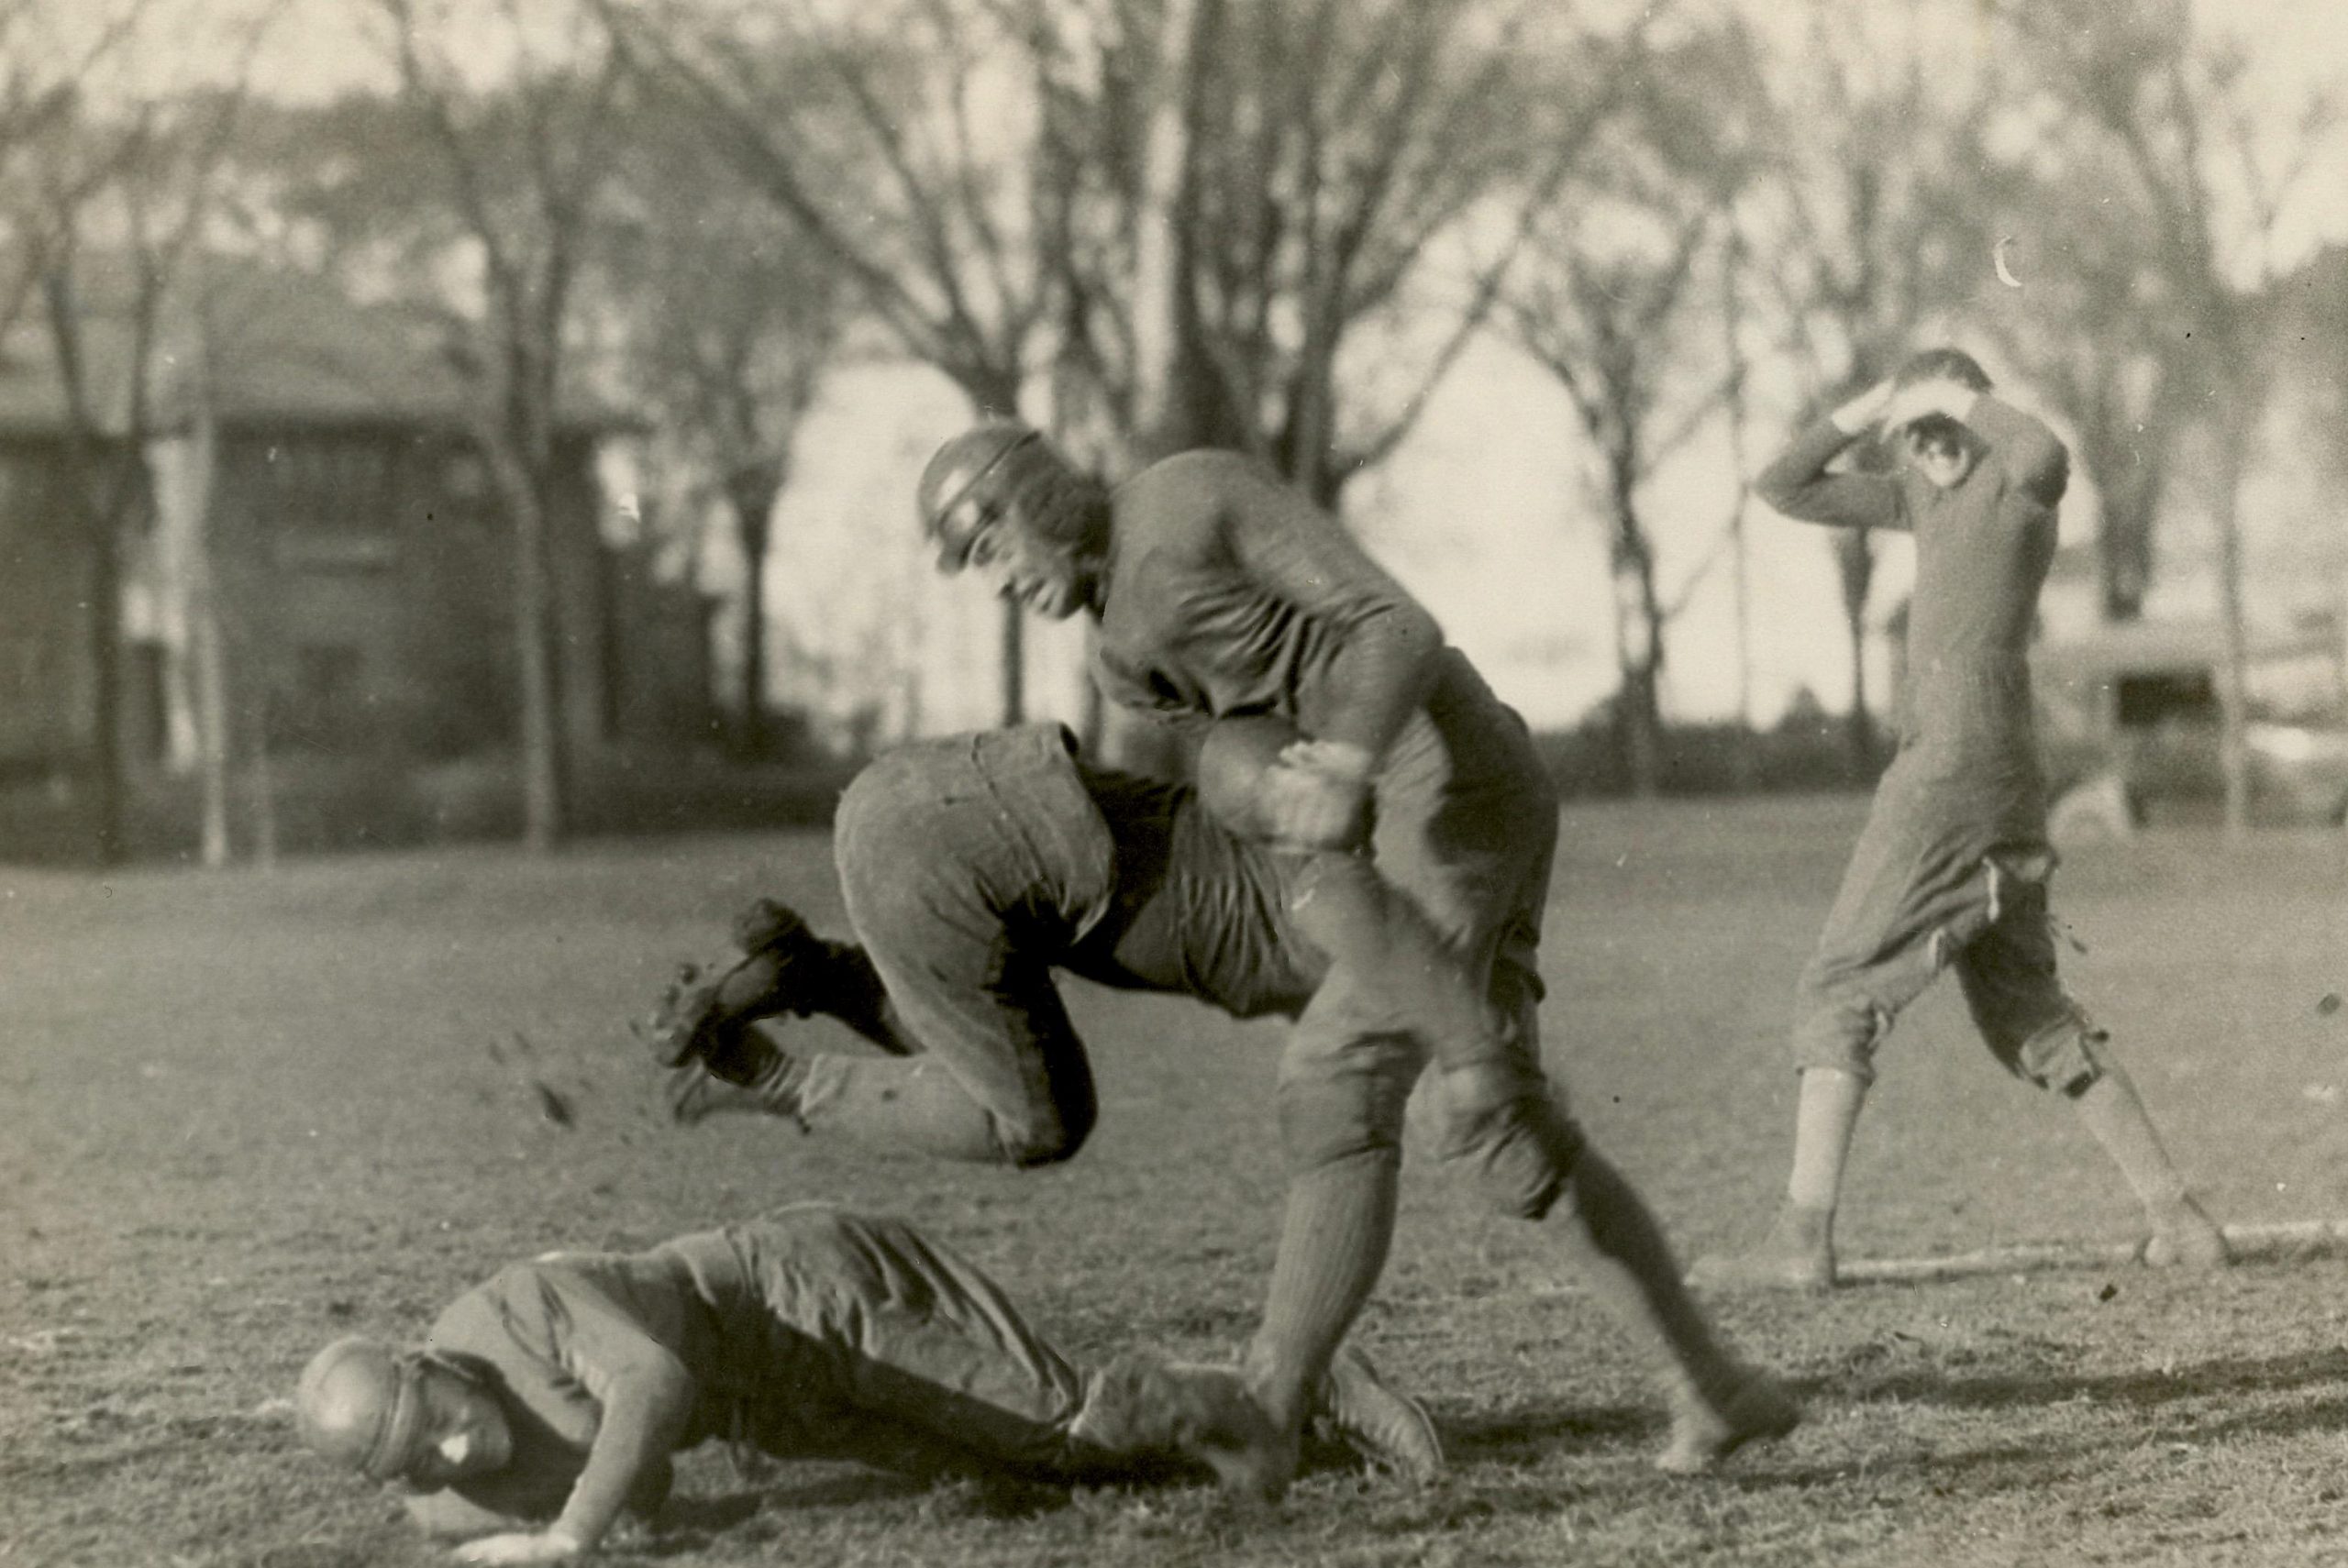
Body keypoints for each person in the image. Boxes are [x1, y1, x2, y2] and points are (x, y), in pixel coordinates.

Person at [654, 714, 1795, 1485]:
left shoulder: (1376, 850)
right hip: (991, 845)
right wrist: (1482, 1061)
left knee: (1000, 1060)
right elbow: (1471, 1079)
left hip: (969, 799)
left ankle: (817, 973)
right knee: (1036, 1117)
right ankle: (777, 1072)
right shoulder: (1394, 898)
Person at [1689, 348, 2231, 1293]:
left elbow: (2045, 455)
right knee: (2029, 1016)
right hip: (1997, 782)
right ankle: (2179, 1219)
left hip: (1953, 775)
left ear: (1976, 418)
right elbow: (1783, 486)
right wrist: (1871, 405)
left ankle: (1800, 1241)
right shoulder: (1918, 495)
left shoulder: (2012, 489)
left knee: (1837, 988)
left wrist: (1955, 397)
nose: (1935, 442)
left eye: (1948, 426)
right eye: (1919, 432)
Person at [294, 1202, 1441, 1567]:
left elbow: (650, 1384)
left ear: (438, 1364)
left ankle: (1306, 1379)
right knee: (1018, 1478)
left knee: (1061, 1428)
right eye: (421, 1460)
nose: (455, 1452)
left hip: (797, 1292)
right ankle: (1272, 1431)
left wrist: (568, 1535)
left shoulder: (515, 1308)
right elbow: (626, 1482)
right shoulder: (447, 1497)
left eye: (442, 1421)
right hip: (775, 1403)